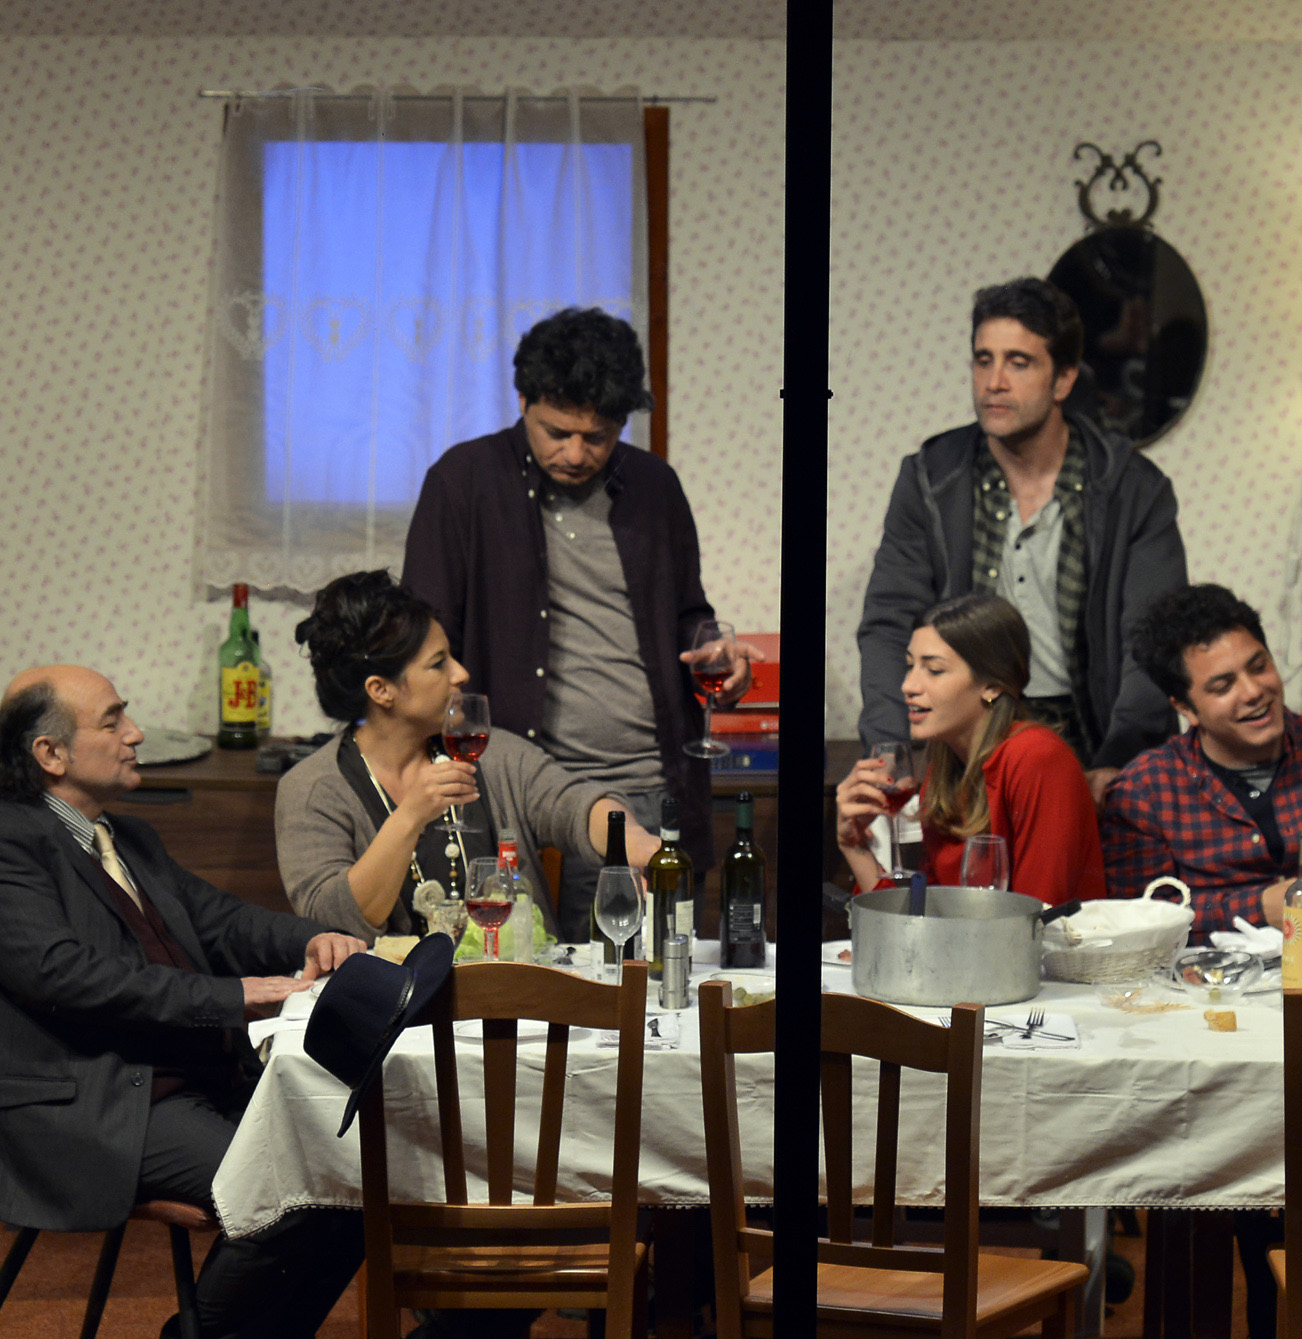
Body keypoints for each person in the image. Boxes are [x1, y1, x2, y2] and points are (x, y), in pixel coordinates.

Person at [0, 665, 368, 1339]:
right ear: (50, 753)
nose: (135, 734)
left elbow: (222, 920)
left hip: (181, 1083)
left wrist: (317, 939)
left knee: (356, 1177)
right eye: (112, 721)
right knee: (293, 1190)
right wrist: (235, 997)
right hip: (90, 1104)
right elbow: (68, 978)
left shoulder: (124, 837)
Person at [400, 306, 747, 931]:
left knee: (655, 970)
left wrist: (717, 659)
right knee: (529, 976)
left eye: (599, 437)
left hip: (649, 782)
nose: (577, 453)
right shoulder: (464, 482)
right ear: (523, 401)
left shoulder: (654, 486)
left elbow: (688, 614)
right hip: (519, 792)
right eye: (557, 432)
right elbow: (423, 638)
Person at [856, 277, 1190, 802]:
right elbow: (888, 622)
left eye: (1019, 363)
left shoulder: (1131, 487)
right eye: (983, 360)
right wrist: (889, 747)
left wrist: (1120, 760)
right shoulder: (931, 479)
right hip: (968, 740)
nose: (994, 382)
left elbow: (1151, 640)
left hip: (1094, 740)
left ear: (1063, 379)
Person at [276, 570, 660, 943]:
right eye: (438, 663)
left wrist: (636, 843)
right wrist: (411, 815)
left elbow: (573, 804)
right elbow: (331, 919)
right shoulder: (312, 789)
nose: (460, 673)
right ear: (381, 690)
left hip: (512, 979)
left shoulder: (493, 755)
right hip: (394, 986)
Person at [1099, 585, 1302, 935]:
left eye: (1259, 667)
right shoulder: (1144, 792)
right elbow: (1137, 920)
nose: (1253, 691)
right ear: (1184, 707)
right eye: (1223, 687)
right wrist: (1258, 908)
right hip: (1211, 969)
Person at [833, 594, 1104, 908]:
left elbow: (1036, 917)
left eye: (934, 670)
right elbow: (924, 918)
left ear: (992, 685)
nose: (908, 685)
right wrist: (854, 846)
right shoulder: (945, 765)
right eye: (910, 666)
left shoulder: (1037, 757)